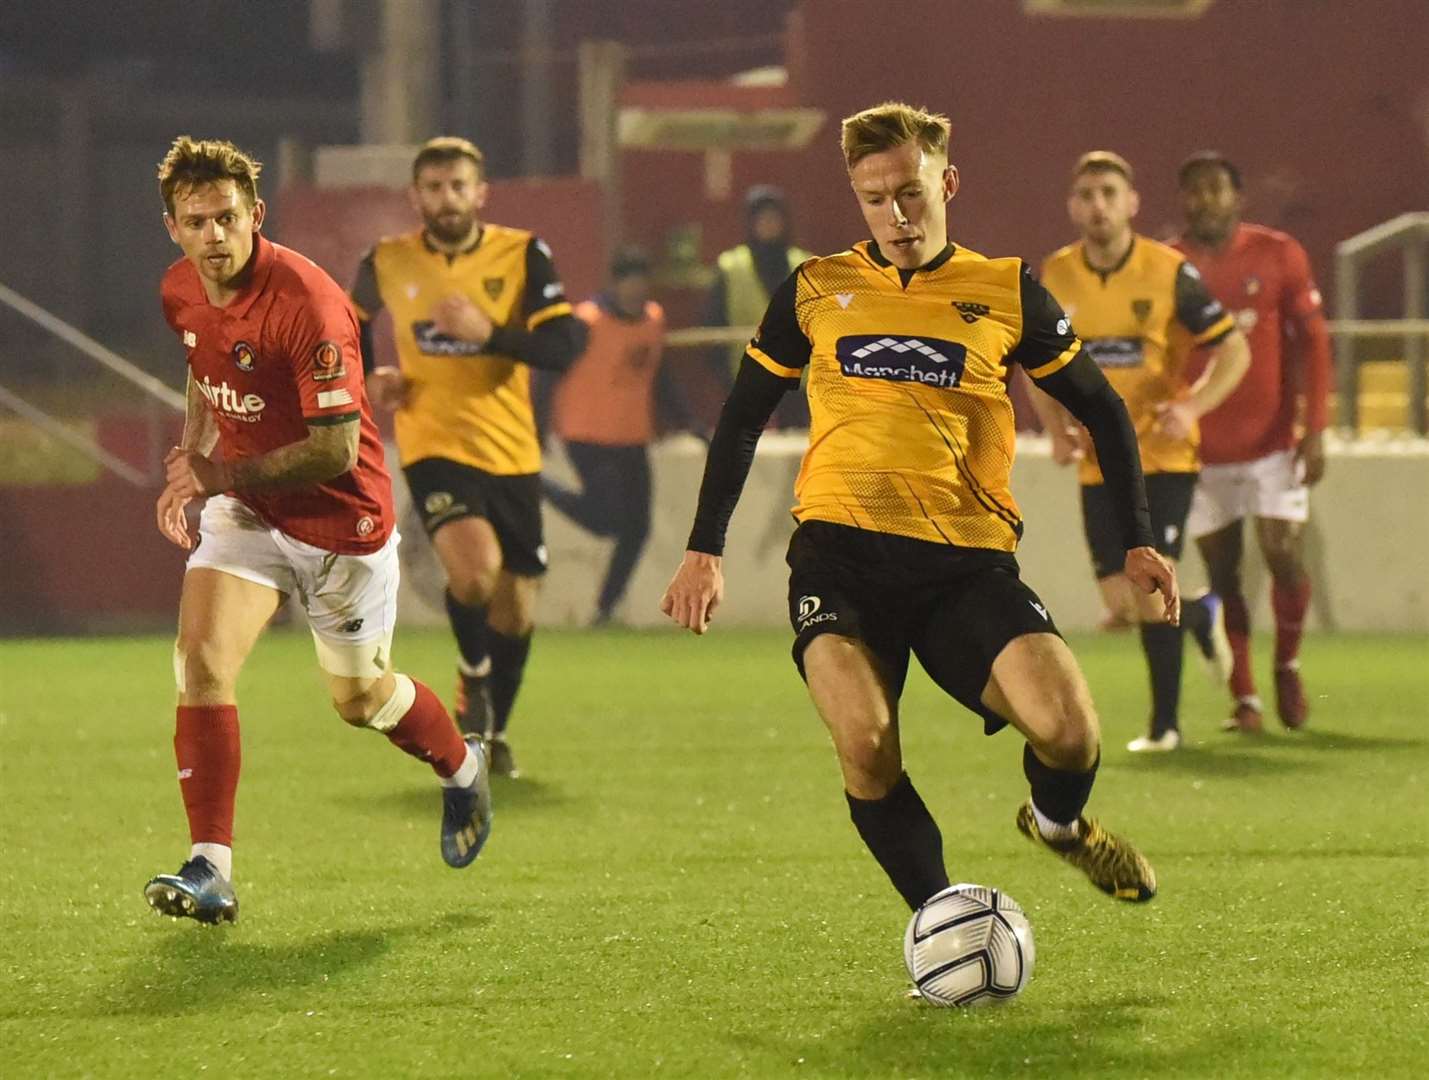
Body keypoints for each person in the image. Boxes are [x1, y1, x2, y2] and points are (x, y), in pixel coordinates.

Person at [661, 102, 1172, 928]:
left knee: (1069, 734)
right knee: (864, 745)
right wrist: (702, 549)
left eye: (910, 192)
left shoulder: (1005, 291)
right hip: (839, 559)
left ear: (948, 183)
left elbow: (1104, 412)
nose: (894, 216)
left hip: (962, 564)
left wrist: (1139, 540)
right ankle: (945, 924)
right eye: (872, 198)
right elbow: (742, 415)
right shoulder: (817, 290)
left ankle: (1056, 824)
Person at [146, 136, 491, 925]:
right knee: (199, 662)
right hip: (251, 514)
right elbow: (207, 372)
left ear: (255, 215)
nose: (214, 236)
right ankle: (211, 867)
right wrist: (195, 457)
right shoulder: (178, 291)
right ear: (172, 227)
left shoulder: (308, 301)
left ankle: (458, 762)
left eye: (227, 218)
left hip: (344, 524)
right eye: (196, 222)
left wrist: (216, 474)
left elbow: (334, 449)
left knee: (362, 700)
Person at [351, 137, 587, 779]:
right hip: (433, 444)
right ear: (416, 196)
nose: (447, 199)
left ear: (480, 194)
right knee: (475, 574)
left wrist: (492, 336)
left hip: (512, 450)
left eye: (459, 186)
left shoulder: (523, 253)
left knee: (515, 609)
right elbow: (340, 331)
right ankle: (474, 673)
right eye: (434, 187)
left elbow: (565, 345)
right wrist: (371, 379)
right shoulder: (386, 259)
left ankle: (494, 729)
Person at [1032, 151, 1250, 753]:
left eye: (1109, 193)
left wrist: (1193, 408)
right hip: (1097, 459)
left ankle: (1165, 727)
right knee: (1119, 602)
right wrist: (1053, 425)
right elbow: (1032, 362)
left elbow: (1234, 350)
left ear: (1132, 203)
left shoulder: (1169, 271)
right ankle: (1202, 612)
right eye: (1086, 195)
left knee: (1151, 593)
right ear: (1072, 206)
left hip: (1161, 458)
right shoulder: (1056, 274)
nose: (1097, 206)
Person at [1174, 152, 1333, 732]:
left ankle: (1286, 665)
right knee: (1222, 575)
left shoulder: (1278, 253)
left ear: (1238, 197)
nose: (1205, 200)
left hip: (1272, 443)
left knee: (1285, 555)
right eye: (1194, 191)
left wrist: (1314, 428)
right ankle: (1246, 697)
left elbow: (1313, 343)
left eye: (1216, 189)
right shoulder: (1170, 266)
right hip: (1201, 448)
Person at [543, 246, 694, 625]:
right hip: (586, 434)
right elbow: (548, 371)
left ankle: (606, 608)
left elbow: (661, 378)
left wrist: (688, 421)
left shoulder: (652, 320)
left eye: (641, 282)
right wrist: (536, 424)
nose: (635, 290)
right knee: (606, 519)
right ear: (615, 283)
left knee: (638, 528)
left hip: (632, 435)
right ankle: (538, 485)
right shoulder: (587, 321)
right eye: (628, 282)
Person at [705, 185, 813, 429]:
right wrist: (727, 383)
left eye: (774, 218)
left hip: (799, 389)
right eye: (762, 218)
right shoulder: (730, 267)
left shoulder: (805, 265)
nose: (769, 224)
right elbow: (712, 329)